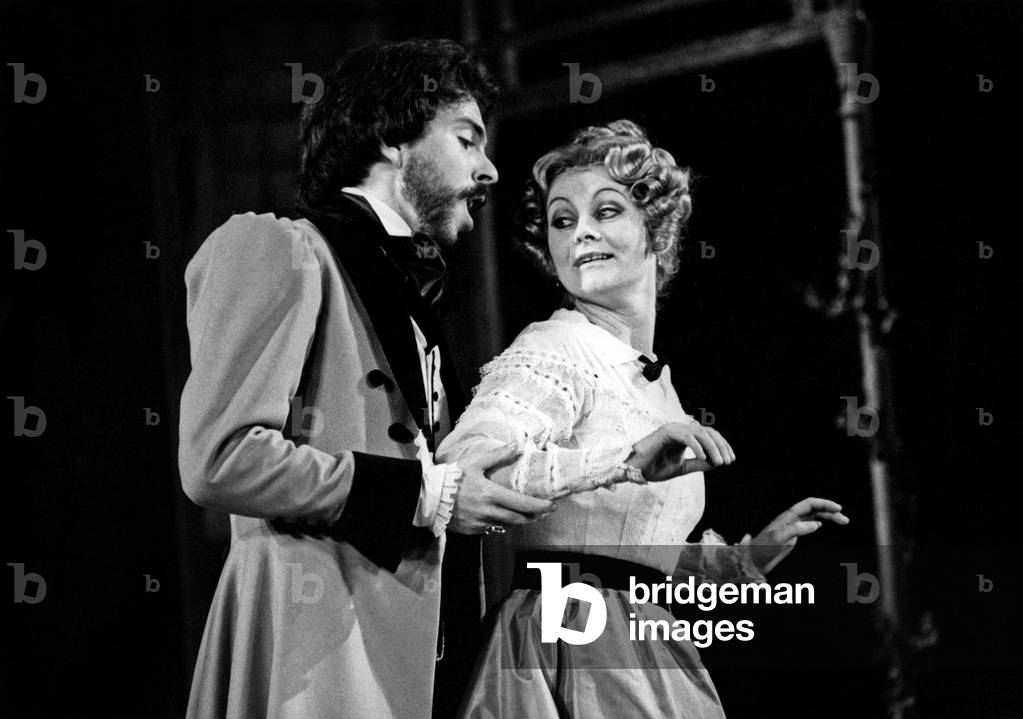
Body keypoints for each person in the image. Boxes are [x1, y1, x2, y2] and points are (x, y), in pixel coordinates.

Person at [177, 39, 554, 719]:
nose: (490, 168)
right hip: (312, 654)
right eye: (466, 140)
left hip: (406, 657)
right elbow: (219, 460)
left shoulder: (412, 287)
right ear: (389, 136)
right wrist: (423, 495)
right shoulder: (279, 247)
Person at [436, 119, 850, 718]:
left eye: (606, 212)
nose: (581, 233)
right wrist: (621, 464)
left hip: (642, 644)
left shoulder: (651, 383)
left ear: (657, 231)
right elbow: (463, 470)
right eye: (562, 220)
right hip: (567, 641)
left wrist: (745, 560)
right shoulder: (556, 347)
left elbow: (632, 555)